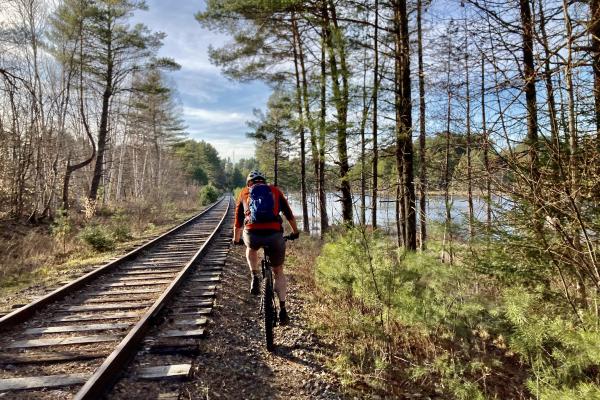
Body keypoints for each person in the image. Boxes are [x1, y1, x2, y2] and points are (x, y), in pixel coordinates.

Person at [233, 170, 299, 325]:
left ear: (249, 182)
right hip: (274, 235)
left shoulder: (244, 193)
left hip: (252, 234)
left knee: (251, 247)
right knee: (279, 272)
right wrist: (295, 232)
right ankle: (283, 309)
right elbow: (289, 214)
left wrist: (236, 240)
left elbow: (237, 222)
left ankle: (254, 275)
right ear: (263, 180)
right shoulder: (275, 191)